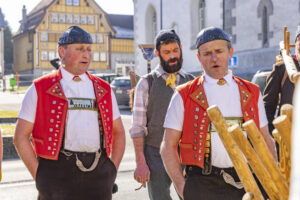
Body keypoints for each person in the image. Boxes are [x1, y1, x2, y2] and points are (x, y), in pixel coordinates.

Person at [160, 27, 277, 200]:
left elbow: (265, 139)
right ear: (199, 58)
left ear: (230, 52)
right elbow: (167, 146)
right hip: (202, 184)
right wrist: (183, 188)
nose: (214, 58)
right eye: (207, 53)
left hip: (248, 183)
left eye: (219, 51)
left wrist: (272, 181)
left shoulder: (252, 91)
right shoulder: (184, 94)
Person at [13, 26, 125, 200]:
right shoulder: (39, 87)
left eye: (89, 49)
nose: (86, 54)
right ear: (61, 51)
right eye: (80, 49)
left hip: (99, 172)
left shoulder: (104, 89)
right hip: (55, 173)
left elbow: (119, 132)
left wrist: (112, 169)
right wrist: (40, 176)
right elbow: (20, 136)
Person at [130, 29, 194, 200]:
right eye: (166, 52)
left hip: (188, 155)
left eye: (175, 50)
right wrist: (140, 163)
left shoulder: (192, 82)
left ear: (181, 48)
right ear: (158, 53)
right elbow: (137, 128)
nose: (172, 56)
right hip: (155, 154)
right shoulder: (146, 83)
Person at [263, 26, 300, 132]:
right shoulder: (282, 69)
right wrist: (271, 135)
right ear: (296, 43)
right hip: (287, 138)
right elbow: (268, 107)